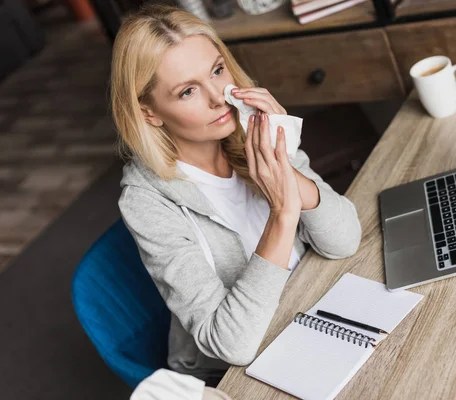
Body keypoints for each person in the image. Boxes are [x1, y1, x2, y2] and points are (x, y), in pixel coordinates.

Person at [111, 4, 362, 387]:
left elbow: (344, 240)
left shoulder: (252, 130)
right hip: (238, 372)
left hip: (312, 302)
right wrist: (282, 213)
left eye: (217, 70)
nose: (219, 98)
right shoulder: (145, 202)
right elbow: (232, 345)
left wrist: (284, 160)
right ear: (150, 114)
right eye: (188, 91)